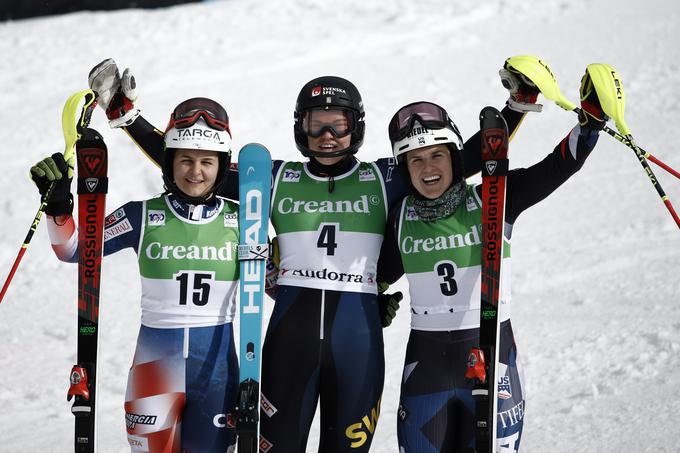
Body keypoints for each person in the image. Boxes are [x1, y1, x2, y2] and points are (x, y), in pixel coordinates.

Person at [86, 58, 539, 452]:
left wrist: (514, 109)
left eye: (338, 124)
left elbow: (458, 159)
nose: (326, 135)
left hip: (357, 342)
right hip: (290, 342)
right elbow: (196, 161)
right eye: (315, 124)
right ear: (299, 127)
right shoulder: (274, 178)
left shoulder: (385, 177)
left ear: (355, 127)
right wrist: (128, 118)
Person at [376, 71, 607, 452]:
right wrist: (373, 303)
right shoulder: (401, 217)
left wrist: (589, 123)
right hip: (425, 369)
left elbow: (556, 167)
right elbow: (377, 277)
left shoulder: (493, 198)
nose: (428, 168)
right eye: (415, 160)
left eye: (437, 155)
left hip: (493, 357)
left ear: (455, 157)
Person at [30, 98, 240, 452]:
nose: (195, 171)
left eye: (207, 161)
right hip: (154, 369)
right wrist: (59, 209)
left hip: (217, 374)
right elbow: (74, 251)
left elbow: (279, 287)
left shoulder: (243, 222)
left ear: (221, 167)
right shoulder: (140, 216)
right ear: (169, 163)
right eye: (185, 160)